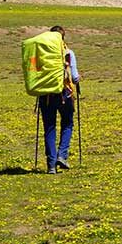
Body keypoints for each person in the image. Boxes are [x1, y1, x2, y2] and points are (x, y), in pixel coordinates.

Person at [40, 25, 80, 174]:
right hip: (65, 94)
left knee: (49, 127)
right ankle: (62, 156)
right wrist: (77, 79)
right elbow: (74, 77)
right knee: (67, 124)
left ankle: (51, 165)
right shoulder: (68, 53)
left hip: (46, 95)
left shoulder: (42, 54)